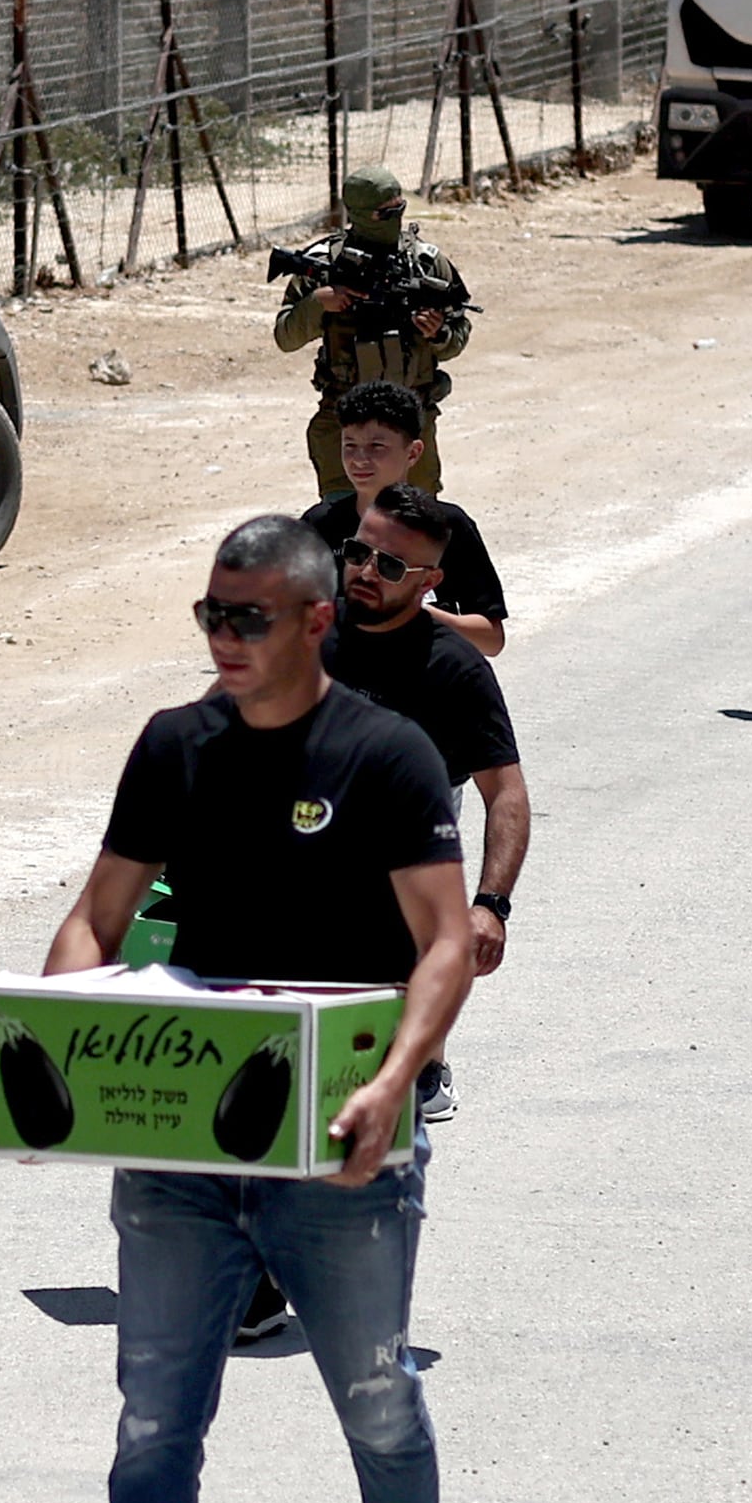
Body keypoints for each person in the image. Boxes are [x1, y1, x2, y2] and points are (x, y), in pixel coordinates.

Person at [35, 519, 477, 1503]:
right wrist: (72, 1035)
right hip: (180, 1149)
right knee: (150, 1425)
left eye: (248, 618)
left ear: (314, 620)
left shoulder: (386, 755)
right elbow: (96, 914)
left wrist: (392, 1081)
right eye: (209, 616)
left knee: (375, 1397)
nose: (223, 640)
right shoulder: (174, 747)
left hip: (343, 1145)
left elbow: (442, 942)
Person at [328, 484, 530, 982]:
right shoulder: (299, 637)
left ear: (430, 581)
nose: (367, 572)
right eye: (358, 553)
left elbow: (506, 792)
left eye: (392, 565)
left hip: (401, 889)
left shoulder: (454, 670)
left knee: (401, 1047)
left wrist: (489, 905)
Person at [275, 170, 474, 497]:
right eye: (386, 213)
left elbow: (458, 334)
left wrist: (438, 334)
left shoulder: (425, 264)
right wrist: (318, 303)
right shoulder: (325, 263)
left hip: (410, 421)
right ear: (358, 214)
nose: (395, 219)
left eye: (400, 209)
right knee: (342, 520)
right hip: (344, 420)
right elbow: (285, 336)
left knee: (416, 524)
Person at [303, 381, 508, 658]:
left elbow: (491, 640)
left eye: (377, 446)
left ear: (413, 453)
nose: (359, 460)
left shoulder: (446, 525)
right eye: (350, 445)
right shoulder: (319, 526)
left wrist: (411, 613)